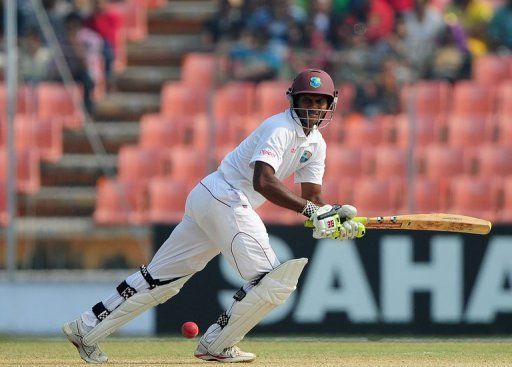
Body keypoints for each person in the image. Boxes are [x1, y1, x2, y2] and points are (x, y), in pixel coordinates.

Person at [62, 69, 365, 364]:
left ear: (330, 105)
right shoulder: (280, 128)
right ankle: (217, 343)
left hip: (211, 196)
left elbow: (312, 196)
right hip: (226, 197)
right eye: (306, 100)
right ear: (293, 100)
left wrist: (334, 219)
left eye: (319, 101)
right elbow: (264, 181)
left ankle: (85, 328)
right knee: (272, 282)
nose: (312, 108)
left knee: (160, 281)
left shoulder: (316, 145)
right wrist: (313, 212)